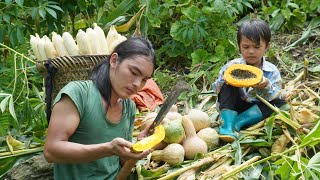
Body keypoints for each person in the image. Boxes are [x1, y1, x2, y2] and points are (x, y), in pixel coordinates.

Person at [44, 36, 156, 179]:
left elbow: (121, 162)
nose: (137, 84)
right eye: (134, 72)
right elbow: (51, 151)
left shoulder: (129, 106)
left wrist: (137, 148)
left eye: (144, 80)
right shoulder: (78, 94)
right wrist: (108, 149)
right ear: (114, 60)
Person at [212, 19, 287, 143]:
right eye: (246, 47)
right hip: (233, 106)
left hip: (255, 109)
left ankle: (238, 122)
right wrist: (225, 81)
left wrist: (266, 85)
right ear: (239, 46)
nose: (251, 51)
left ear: (267, 46)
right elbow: (217, 91)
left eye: (257, 47)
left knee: (280, 102)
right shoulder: (231, 67)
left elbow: (275, 95)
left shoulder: (272, 71)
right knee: (227, 87)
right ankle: (227, 126)